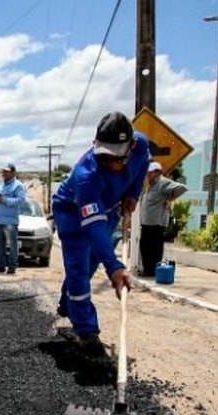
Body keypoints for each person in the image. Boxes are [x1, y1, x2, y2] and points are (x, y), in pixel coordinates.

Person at [51, 111, 150, 355]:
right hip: (72, 212)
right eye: (104, 157)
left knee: (91, 264)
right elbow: (93, 226)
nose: (111, 164)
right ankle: (86, 331)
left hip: (108, 208)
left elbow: (142, 164)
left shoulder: (140, 144)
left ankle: (67, 305)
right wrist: (114, 267)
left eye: (117, 159)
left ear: (131, 147)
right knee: (79, 268)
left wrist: (133, 194)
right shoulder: (86, 176)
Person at [139, 161, 188, 277]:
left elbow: (182, 188)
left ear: (158, 172)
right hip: (146, 222)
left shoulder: (163, 183)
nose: (148, 174)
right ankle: (147, 270)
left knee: (155, 248)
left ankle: (153, 271)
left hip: (157, 223)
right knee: (145, 247)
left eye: (150, 172)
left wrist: (170, 199)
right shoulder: (150, 184)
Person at [0, 163, 26, 274]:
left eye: (7, 171)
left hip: (10, 221)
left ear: (13, 173)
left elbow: (20, 201)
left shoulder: (18, 186)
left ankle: (12, 266)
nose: (4, 173)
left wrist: (4, 200)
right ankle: (0, 265)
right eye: (3, 171)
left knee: (12, 244)